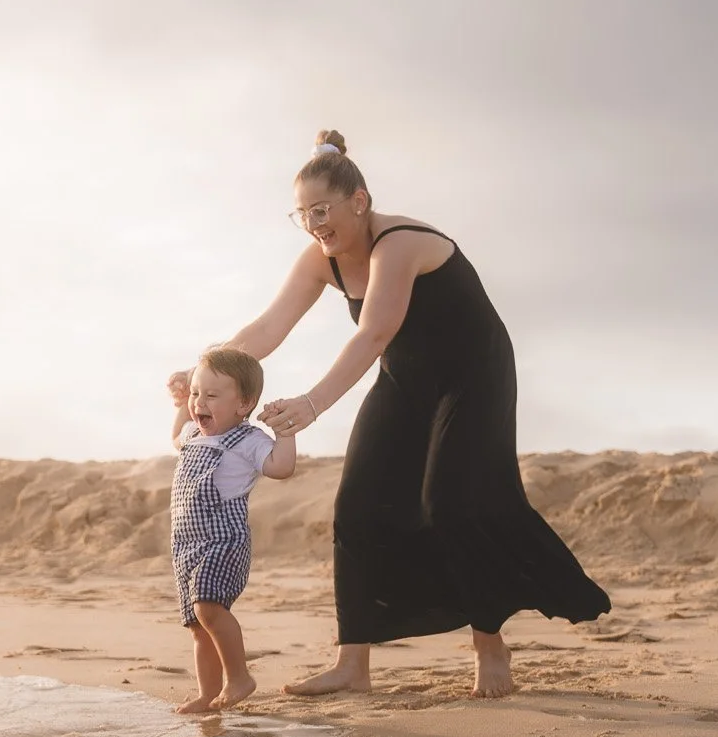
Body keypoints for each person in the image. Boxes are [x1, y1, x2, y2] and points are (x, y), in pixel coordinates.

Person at [215, 129, 610, 699]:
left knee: (452, 502)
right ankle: (353, 665)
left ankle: (488, 646)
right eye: (301, 214)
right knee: (356, 504)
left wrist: (311, 404)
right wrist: (211, 367)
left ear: (360, 200)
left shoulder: (397, 244)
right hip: (407, 375)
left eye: (322, 210)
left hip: (473, 373)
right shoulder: (319, 258)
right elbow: (268, 327)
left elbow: (375, 331)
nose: (314, 224)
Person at [168, 347, 297, 714]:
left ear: (244, 404)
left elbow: (280, 467)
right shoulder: (193, 433)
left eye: (211, 395)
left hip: (224, 539)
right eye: (195, 393)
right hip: (186, 544)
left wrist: (284, 431)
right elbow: (176, 435)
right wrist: (180, 402)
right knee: (197, 624)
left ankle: (239, 677)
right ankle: (208, 694)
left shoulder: (248, 439)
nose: (198, 403)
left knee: (209, 607)